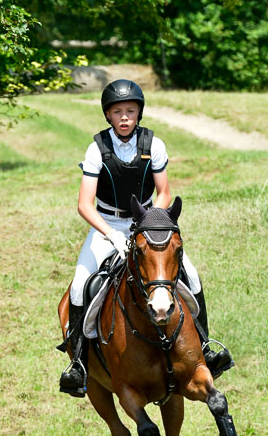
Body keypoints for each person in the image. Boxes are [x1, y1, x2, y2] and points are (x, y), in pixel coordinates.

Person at [59, 79, 233, 397]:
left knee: (191, 277)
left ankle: (207, 347)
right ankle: (79, 366)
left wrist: (150, 224)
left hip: (148, 224)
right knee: (82, 284)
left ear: (139, 113)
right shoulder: (97, 147)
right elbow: (85, 205)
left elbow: (164, 193)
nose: (124, 117)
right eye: (117, 112)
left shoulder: (153, 144)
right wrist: (111, 235)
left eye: (130, 110)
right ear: (108, 116)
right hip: (107, 224)